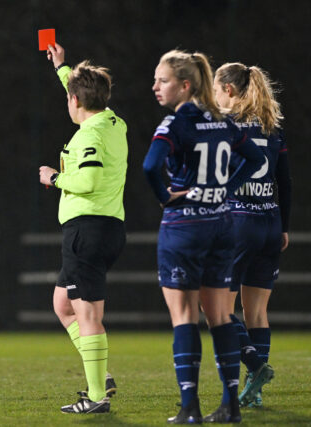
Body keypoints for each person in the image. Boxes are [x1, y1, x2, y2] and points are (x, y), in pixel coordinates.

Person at [142, 50, 265, 424]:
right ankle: (231, 405)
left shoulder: (175, 124)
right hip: (222, 225)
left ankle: (189, 408)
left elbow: (150, 166)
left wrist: (166, 197)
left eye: (162, 81)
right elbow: (257, 161)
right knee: (221, 317)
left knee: (183, 317)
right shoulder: (224, 122)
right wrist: (225, 188)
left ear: (185, 85)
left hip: (184, 229)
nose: (155, 87)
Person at [41, 43, 127, 414]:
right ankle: (100, 376)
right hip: (105, 227)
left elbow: (88, 180)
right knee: (63, 304)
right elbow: (84, 93)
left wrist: (55, 178)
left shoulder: (88, 135)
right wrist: (63, 67)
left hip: (87, 230)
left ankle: (95, 397)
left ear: (75, 100)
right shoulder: (113, 121)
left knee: (88, 314)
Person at [213, 62, 290, 408]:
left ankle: (252, 371)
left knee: (219, 310)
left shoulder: (226, 127)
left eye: (215, 90)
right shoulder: (272, 127)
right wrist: (284, 226)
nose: (213, 98)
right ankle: (253, 393)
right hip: (270, 223)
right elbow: (284, 182)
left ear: (228, 90)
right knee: (256, 313)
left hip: (238, 223)